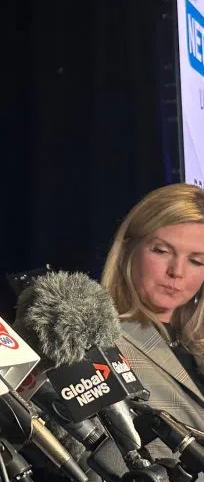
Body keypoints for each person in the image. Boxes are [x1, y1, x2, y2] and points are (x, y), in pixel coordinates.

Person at [101, 183, 204, 456]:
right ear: (128, 248)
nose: (177, 271)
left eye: (196, 261)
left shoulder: (195, 344)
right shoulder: (100, 343)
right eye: (161, 251)